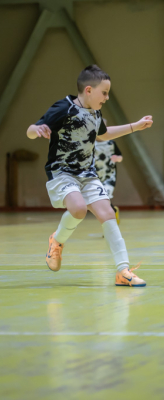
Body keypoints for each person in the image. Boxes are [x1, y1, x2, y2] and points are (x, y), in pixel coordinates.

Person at [26, 65, 153, 287]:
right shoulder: (63, 108)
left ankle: (123, 271)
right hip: (62, 173)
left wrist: (136, 126)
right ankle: (56, 241)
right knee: (78, 209)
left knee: (108, 214)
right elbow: (31, 129)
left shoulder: (95, 112)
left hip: (87, 174)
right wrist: (36, 130)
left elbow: (103, 134)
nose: (107, 97)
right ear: (88, 90)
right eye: (104, 92)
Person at [95, 131, 123, 224]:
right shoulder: (89, 143)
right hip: (94, 176)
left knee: (105, 197)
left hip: (109, 176)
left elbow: (120, 156)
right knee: (99, 200)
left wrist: (117, 158)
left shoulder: (111, 143)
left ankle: (110, 222)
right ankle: (113, 211)